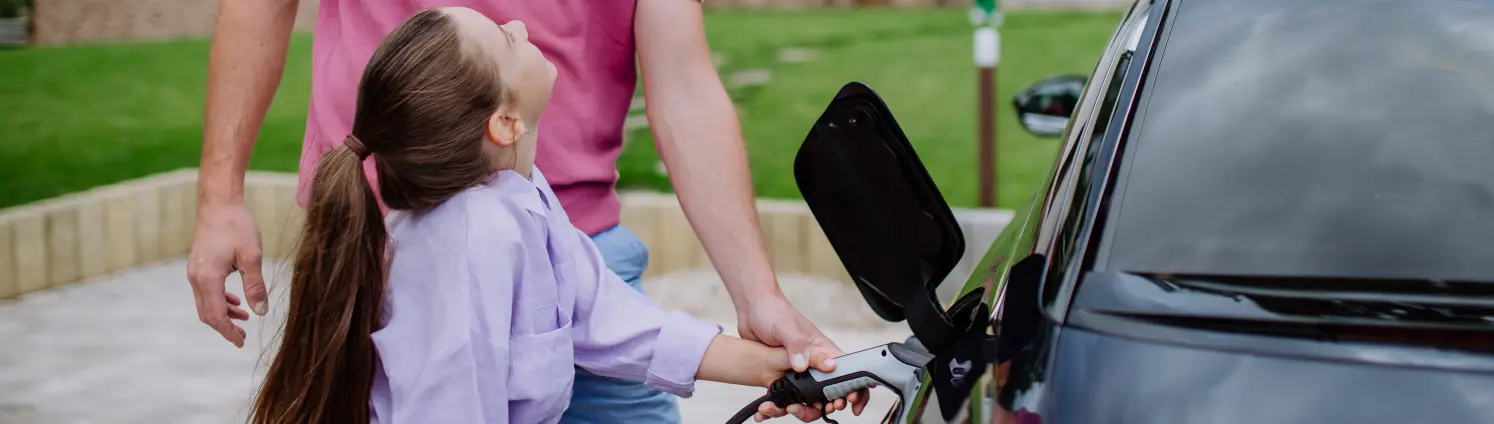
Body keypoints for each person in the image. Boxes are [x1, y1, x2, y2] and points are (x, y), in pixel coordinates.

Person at [189, 0, 864, 422]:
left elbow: (611, 325)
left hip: (577, 219)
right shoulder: (464, 251)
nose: (519, 23)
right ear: (505, 121)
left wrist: (780, 368)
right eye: (508, 42)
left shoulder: (524, 202)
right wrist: (218, 197)